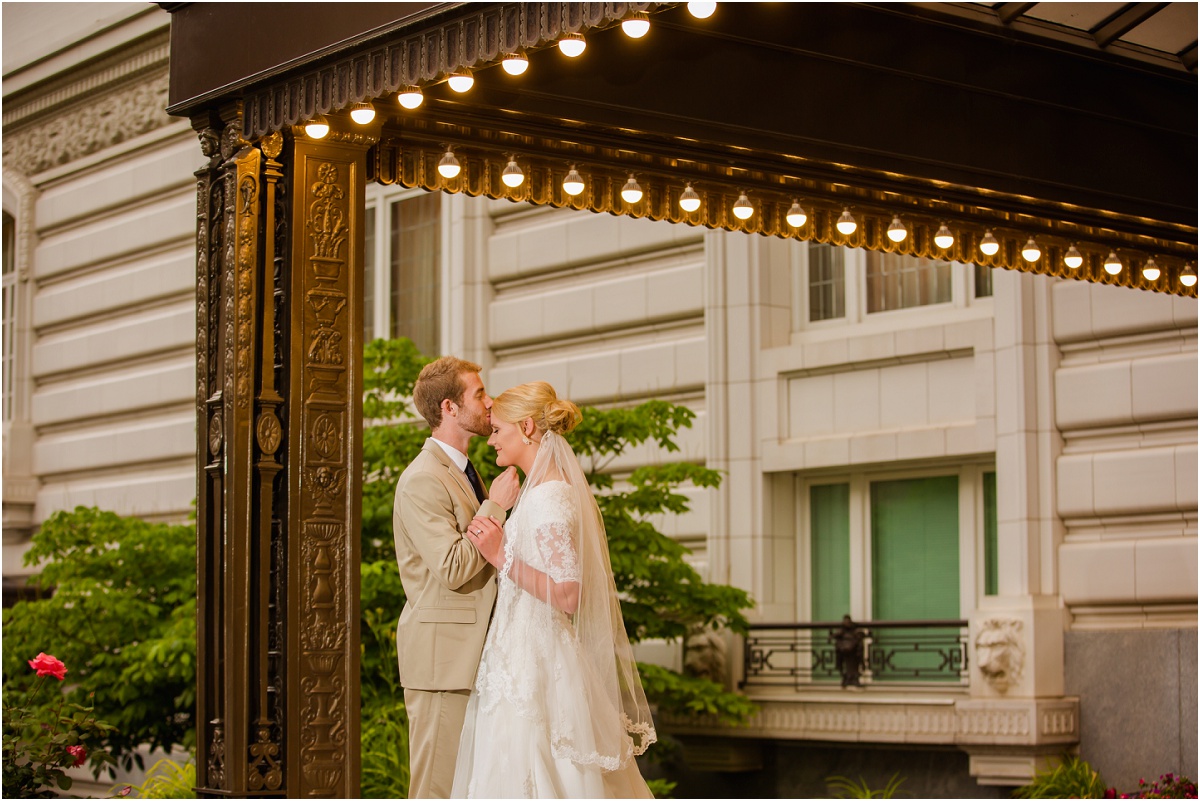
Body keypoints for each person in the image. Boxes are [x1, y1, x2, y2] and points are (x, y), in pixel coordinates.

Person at [452, 381, 656, 799]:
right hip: (518, 655)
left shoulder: (548, 497)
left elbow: (568, 594)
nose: (491, 439)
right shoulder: (538, 490)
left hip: (537, 664)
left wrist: (500, 556)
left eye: (498, 430)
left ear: (526, 426)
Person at [393, 356, 520, 799]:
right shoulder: (421, 480)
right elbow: (451, 567)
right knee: (437, 789)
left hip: (480, 658)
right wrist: (496, 507)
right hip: (443, 664)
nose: (490, 403)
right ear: (449, 407)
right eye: (479, 394)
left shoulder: (467, 470)